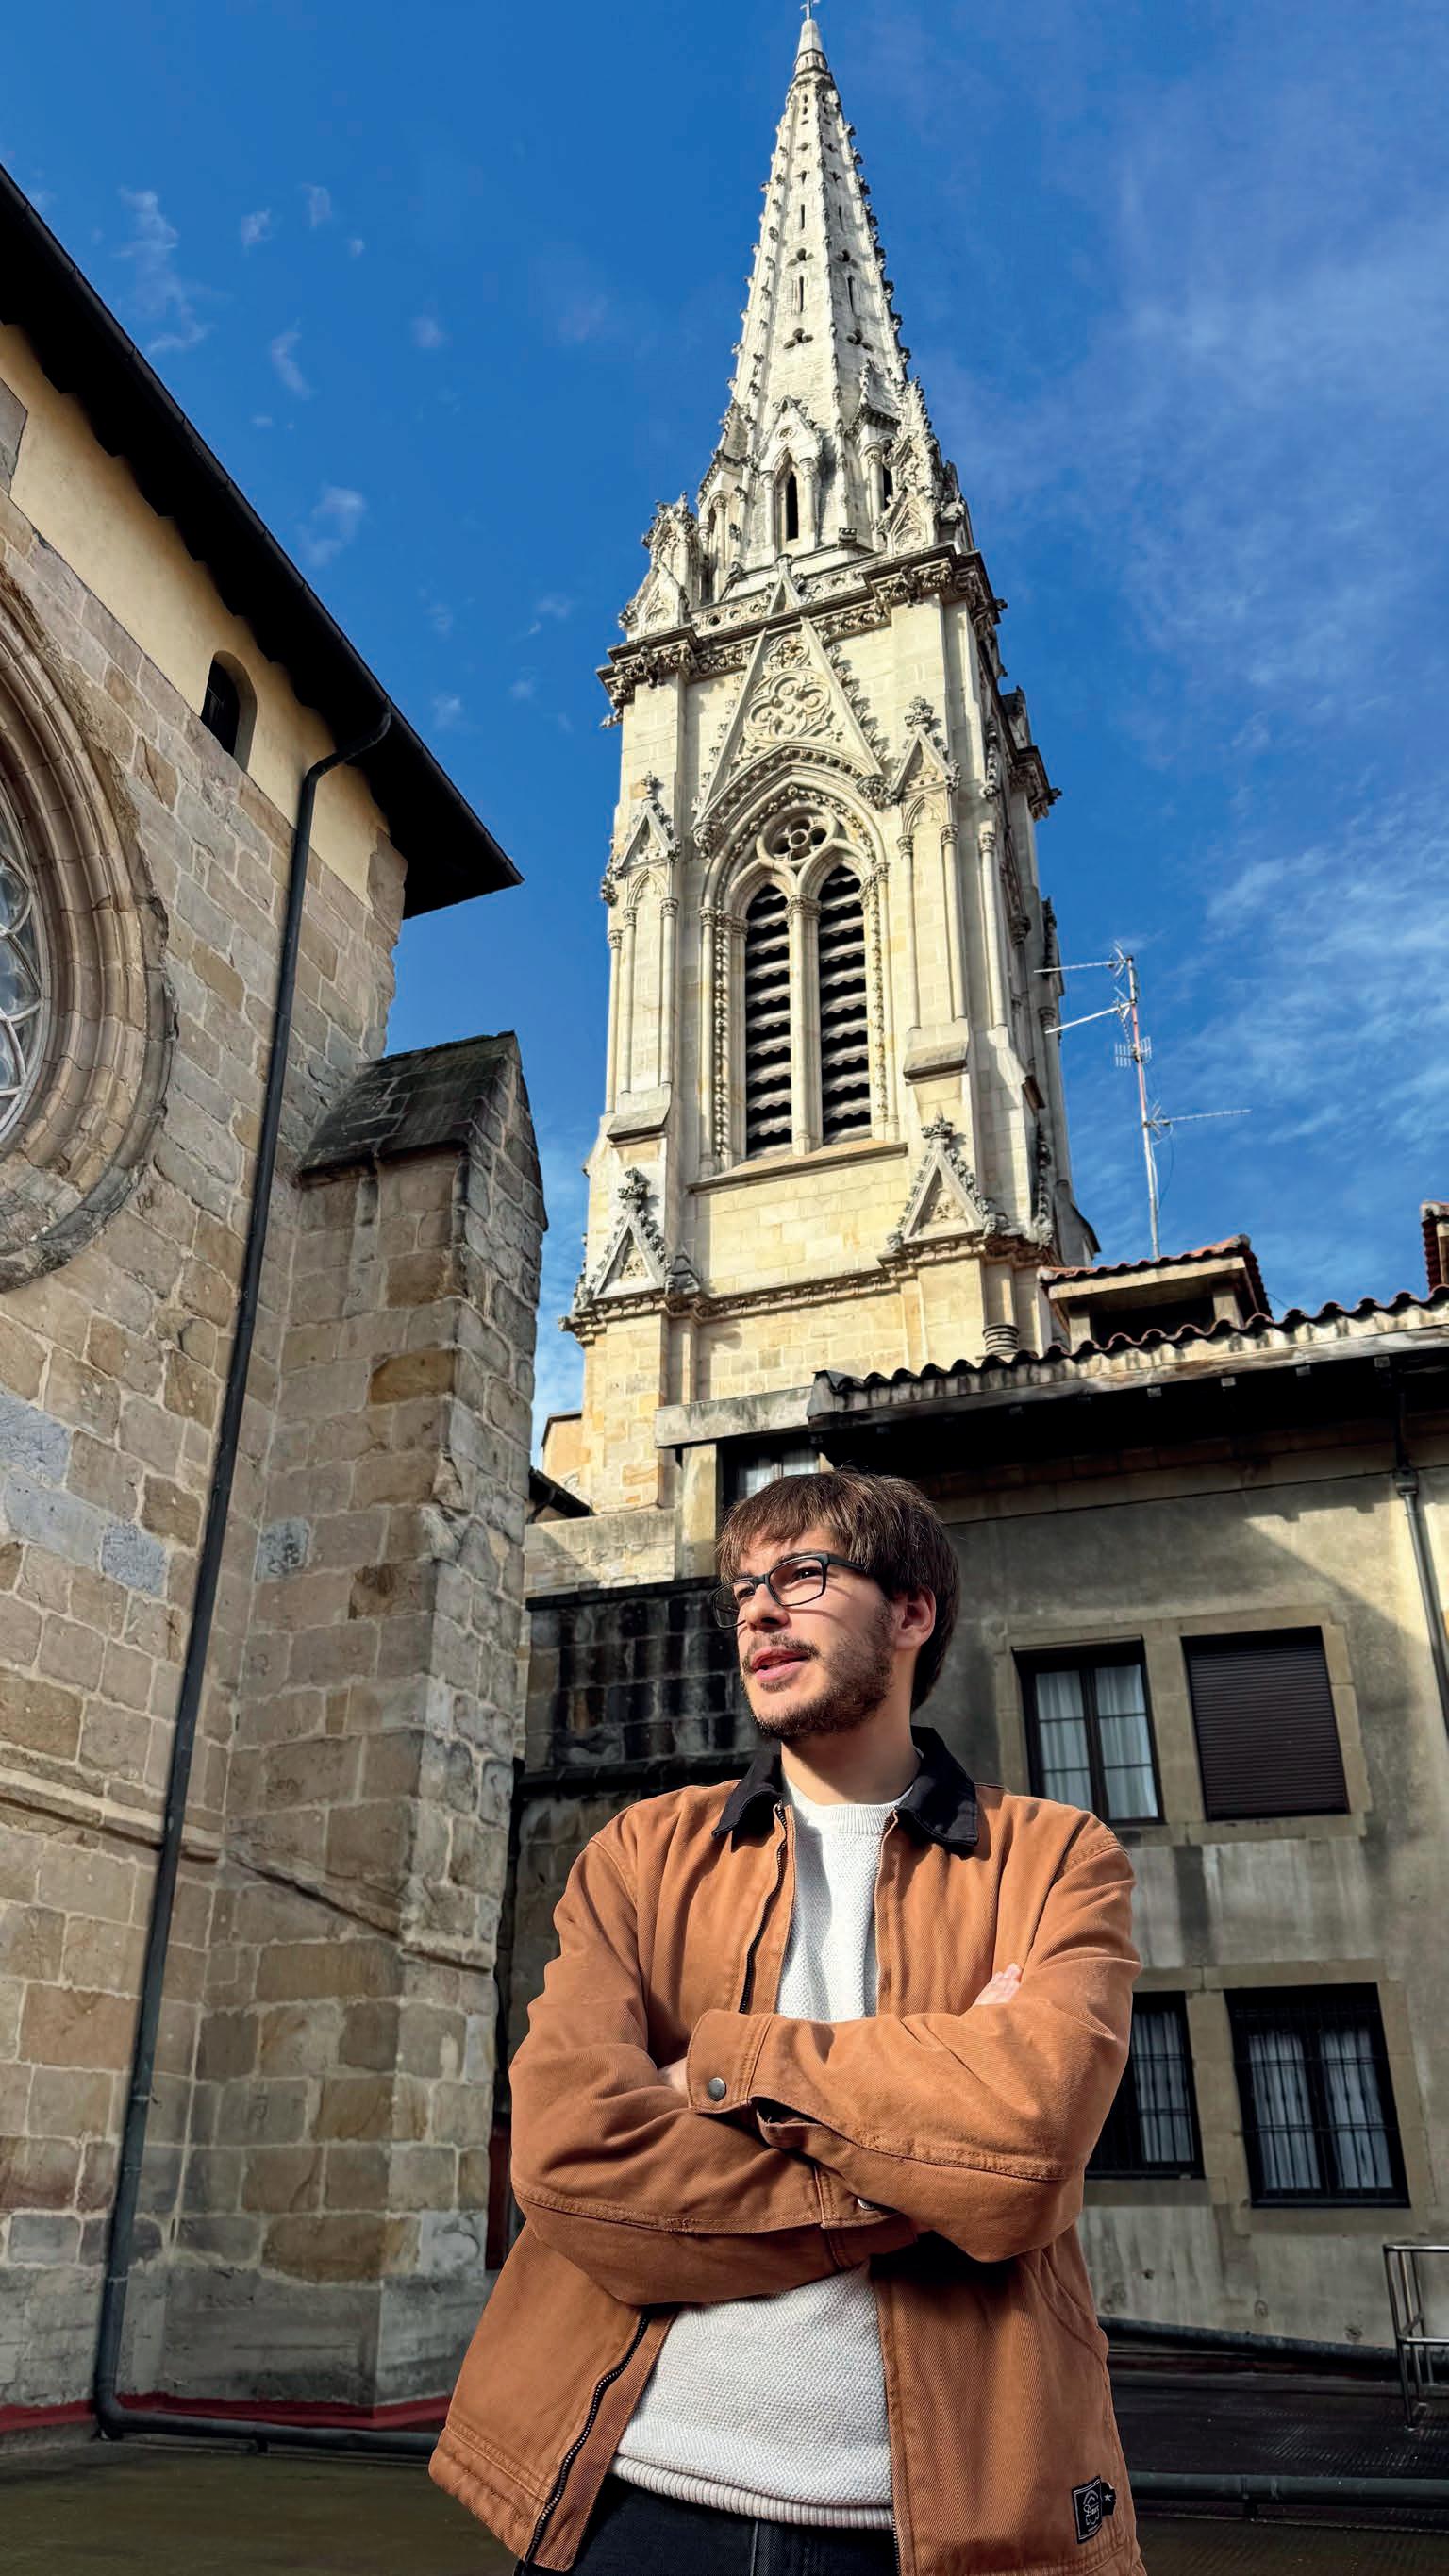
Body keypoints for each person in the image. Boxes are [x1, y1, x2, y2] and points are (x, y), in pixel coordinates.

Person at [432, 1467, 1143, 2576]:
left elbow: (1029, 2140)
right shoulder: (642, 1853)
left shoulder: (1056, 1859)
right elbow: (569, 2157)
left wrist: (719, 2064)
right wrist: (925, 2177)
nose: (758, 1610)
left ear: (911, 1613)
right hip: (627, 2503)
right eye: (743, 1590)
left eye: (804, 1576)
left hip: (931, 2528)